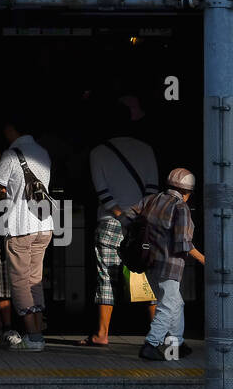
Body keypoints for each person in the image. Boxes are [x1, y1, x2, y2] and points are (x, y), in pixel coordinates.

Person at [81, 104, 160, 346]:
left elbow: (103, 193)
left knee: (107, 277)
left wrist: (122, 216)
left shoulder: (98, 152)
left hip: (110, 222)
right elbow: (153, 190)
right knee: (147, 275)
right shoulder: (146, 150)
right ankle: (156, 334)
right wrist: (137, 217)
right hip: (143, 224)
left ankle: (102, 334)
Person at [128, 169, 206, 360]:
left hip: (148, 262)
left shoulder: (151, 199)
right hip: (169, 264)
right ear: (188, 192)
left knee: (175, 302)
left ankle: (176, 343)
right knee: (167, 305)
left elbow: (127, 217)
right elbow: (183, 243)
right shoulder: (181, 208)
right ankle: (151, 344)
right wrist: (204, 259)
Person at [0, 114, 53, 352]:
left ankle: (34, 336)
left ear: (12, 129)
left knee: (19, 281)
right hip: (44, 224)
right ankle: (37, 333)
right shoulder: (43, 153)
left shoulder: (11, 155)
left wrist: (3, 194)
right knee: (34, 279)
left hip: (19, 227)